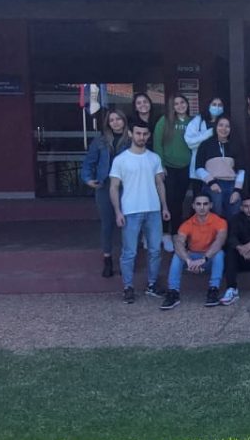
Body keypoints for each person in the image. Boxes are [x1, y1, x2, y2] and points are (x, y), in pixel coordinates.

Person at [109, 120, 170, 304]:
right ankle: (128, 287)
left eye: (144, 134)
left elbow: (160, 183)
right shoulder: (121, 160)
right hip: (130, 211)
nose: (141, 137)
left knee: (154, 251)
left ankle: (152, 285)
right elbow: (113, 187)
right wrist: (118, 212)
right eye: (138, 133)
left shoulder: (154, 158)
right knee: (129, 252)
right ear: (130, 134)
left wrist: (164, 207)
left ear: (148, 136)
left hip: (153, 210)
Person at [80, 108, 130, 278]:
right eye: (112, 120)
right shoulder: (100, 141)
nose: (115, 122)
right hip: (105, 186)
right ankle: (107, 259)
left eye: (118, 119)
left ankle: (126, 261)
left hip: (127, 187)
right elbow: (89, 162)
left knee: (127, 224)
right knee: (107, 224)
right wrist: (88, 179)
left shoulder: (131, 140)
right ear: (108, 123)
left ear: (124, 120)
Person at [164, 192, 228, 311]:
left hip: (208, 258)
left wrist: (203, 259)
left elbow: (219, 242)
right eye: (198, 204)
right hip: (192, 258)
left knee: (219, 253)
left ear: (211, 205)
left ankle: (213, 290)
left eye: (205, 204)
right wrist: (188, 261)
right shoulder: (187, 223)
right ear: (193, 206)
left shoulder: (219, 221)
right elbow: (178, 243)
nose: (202, 207)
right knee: (177, 255)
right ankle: (173, 292)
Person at [154, 94, 193, 252]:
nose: (180, 105)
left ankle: (176, 232)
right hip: (168, 167)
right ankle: (165, 233)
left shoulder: (192, 122)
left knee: (179, 201)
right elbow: (157, 144)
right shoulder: (165, 121)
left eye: (182, 102)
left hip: (185, 167)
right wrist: (161, 165)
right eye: (176, 103)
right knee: (168, 201)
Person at [193, 115, 245, 219]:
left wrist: (237, 190)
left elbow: (241, 170)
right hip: (213, 184)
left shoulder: (235, 145)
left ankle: (232, 235)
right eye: (221, 125)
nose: (224, 129)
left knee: (234, 214)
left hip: (232, 185)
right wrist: (211, 182)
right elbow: (199, 167)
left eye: (227, 126)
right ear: (215, 127)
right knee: (216, 215)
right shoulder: (206, 145)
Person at [184, 96, 226, 189]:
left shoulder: (226, 123)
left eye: (220, 105)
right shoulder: (198, 121)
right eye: (214, 104)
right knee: (199, 199)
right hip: (200, 167)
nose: (217, 107)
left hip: (219, 169)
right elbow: (190, 142)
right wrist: (210, 132)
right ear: (208, 106)